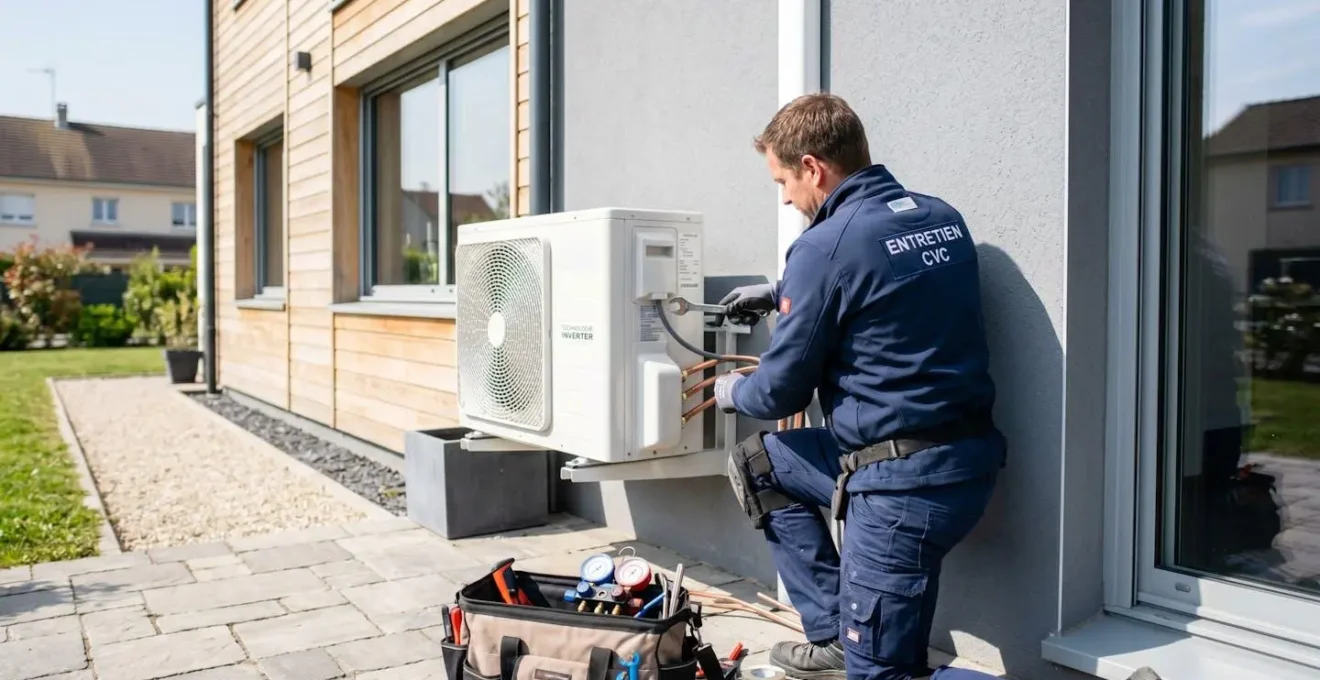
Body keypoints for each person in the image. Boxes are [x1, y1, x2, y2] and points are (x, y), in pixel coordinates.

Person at [710, 93, 1008, 680]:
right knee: (760, 462)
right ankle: (834, 635)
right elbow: (887, 280)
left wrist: (733, 391)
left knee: (883, 676)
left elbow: (779, 394)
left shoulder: (822, 247)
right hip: (965, 463)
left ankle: (861, 654)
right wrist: (781, 292)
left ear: (814, 167)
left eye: (783, 181)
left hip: (900, 491)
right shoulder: (938, 216)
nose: (787, 198)